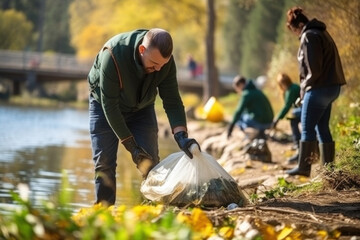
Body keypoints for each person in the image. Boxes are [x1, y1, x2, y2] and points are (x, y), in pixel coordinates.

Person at [88, 28, 200, 206]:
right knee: (104, 163)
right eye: (154, 63)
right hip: (104, 106)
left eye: (162, 65)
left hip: (142, 107)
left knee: (151, 163)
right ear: (142, 50)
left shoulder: (164, 63)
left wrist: (181, 136)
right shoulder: (113, 55)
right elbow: (110, 107)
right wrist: (132, 147)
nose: (158, 69)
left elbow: (172, 100)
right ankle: (103, 212)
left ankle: (149, 211)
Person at [285, 7, 346, 177]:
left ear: (300, 25)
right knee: (322, 126)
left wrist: (303, 92)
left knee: (307, 128)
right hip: (332, 87)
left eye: (294, 30)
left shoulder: (309, 36)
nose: (296, 34)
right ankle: (329, 171)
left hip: (318, 88)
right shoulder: (322, 33)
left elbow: (314, 71)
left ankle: (304, 168)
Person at [227, 75, 274, 140]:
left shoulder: (246, 94)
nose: (237, 91)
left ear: (240, 85)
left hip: (261, 124)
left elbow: (238, 111)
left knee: (239, 118)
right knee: (244, 115)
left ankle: (248, 135)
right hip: (270, 122)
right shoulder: (257, 91)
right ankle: (259, 132)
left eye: (236, 88)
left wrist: (230, 128)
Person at [272, 73, 301, 163]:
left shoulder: (292, 89)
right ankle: (298, 144)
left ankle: (298, 146)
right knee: (294, 121)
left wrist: (277, 119)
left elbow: (287, 106)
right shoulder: (292, 88)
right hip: (302, 109)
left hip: (303, 110)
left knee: (293, 121)